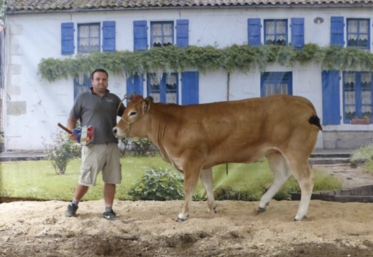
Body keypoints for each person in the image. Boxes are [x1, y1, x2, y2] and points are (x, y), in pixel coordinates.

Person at [64, 68, 126, 220]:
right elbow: (72, 118)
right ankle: (73, 204)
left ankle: (108, 210)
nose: (101, 82)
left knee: (111, 179)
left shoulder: (114, 99)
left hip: (112, 144)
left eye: (104, 79)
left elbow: (126, 116)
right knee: (86, 179)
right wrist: (71, 131)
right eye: (98, 79)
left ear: (107, 81)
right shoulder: (83, 98)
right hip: (92, 145)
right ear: (92, 81)